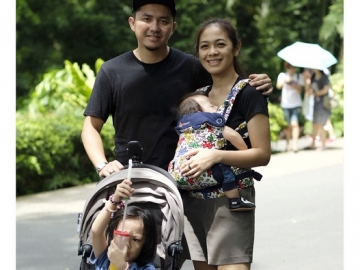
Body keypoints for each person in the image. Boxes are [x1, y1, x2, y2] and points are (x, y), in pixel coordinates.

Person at [81, 0, 273, 179]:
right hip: (130, 181)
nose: (154, 27)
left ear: (173, 27)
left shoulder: (191, 67)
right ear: (132, 23)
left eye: (163, 21)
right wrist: (101, 164)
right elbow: (91, 127)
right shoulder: (112, 71)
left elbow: (228, 88)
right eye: (146, 19)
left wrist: (257, 83)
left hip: (186, 181)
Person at [175, 18, 270, 270]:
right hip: (193, 201)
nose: (212, 52)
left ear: (236, 47)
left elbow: (262, 154)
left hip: (231, 201)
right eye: (205, 46)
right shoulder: (198, 96)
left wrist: (215, 156)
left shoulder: (250, 93)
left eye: (220, 44)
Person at [168, 92, 255, 211]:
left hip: (181, 174)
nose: (216, 107)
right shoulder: (212, 122)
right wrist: (244, 150)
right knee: (226, 171)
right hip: (209, 171)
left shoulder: (183, 128)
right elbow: (233, 136)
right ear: (199, 112)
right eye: (211, 105)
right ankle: (235, 201)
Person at [90, 179, 157, 270]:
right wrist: (114, 201)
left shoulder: (146, 268)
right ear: (112, 235)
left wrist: (121, 266)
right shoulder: (105, 258)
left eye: (136, 239)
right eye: (121, 235)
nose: (127, 244)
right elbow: (96, 231)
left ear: (145, 244)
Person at [276, 61, 304, 153]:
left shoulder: (299, 76)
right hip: (285, 104)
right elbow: (278, 86)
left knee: (295, 124)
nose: (291, 69)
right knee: (287, 126)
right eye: (289, 67)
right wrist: (286, 81)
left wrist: (293, 84)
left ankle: (295, 145)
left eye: (292, 67)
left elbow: (300, 89)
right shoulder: (282, 75)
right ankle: (288, 144)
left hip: (296, 104)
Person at [305, 69, 330, 150]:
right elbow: (308, 91)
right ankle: (313, 144)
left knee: (321, 124)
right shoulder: (312, 77)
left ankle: (323, 145)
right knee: (315, 124)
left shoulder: (324, 77)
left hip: (323, 104)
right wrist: (307, 80)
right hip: (315, 104)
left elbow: (326, 90)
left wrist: (316, 93)